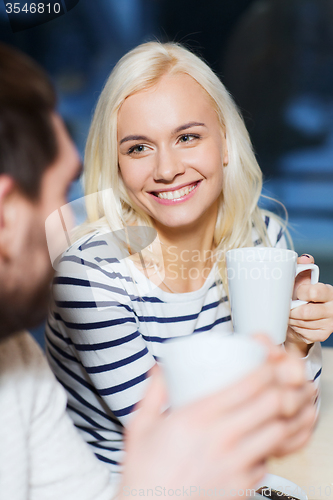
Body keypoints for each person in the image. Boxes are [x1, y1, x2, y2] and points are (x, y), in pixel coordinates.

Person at [0, 41, 318, 499]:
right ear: (115, 164)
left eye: (187, 137)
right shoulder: (89, 273)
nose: (167, 169)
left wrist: (300, 344)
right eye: (138, 148)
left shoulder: (264, 239)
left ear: (226, 143)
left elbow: (287, 417)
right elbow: (194, 442)